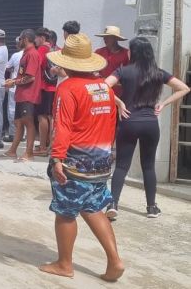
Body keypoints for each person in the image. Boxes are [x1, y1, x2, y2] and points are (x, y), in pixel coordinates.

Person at [39, 33, 124, 282]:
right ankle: (115, 261)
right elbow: (111, 123)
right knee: (94, 207)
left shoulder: (68, 89)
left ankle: (65, 264)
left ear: (66, 63)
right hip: (101, 160)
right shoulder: (104, 88)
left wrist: (56, 158)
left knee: (66, 212)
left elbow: (62, 127)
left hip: (74, 161)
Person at [104, 37, 189, 219]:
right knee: (148, 167)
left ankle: (113, 203)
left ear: (133, 52)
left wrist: (118, 103)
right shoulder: (158, 72)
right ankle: (151, 207)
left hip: (128, 122)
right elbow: (184, 88)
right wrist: (163, 104)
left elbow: (103, 87)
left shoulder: (123, 71)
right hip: (150, 123)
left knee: (121, 166)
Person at [2, 29, 41, 162]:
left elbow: (30, 77)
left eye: (20, 39)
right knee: (18, 122)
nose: (18, 42)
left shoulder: (33, 54)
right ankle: (13, 151)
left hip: (28, 94)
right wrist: (13, 82)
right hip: (21, 93)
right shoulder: (25, 54)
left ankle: (29, 152)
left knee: (28, 123)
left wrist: (13, 81)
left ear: (25, 39)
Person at [35, 28, 57, 156]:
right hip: (55, 87)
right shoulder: (56, 49)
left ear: (42, 38)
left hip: (44, 87)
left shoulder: (42, 49)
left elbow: (37, 66)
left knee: (42, 116)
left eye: (36, 38)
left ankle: (43, 147)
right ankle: (51, 146)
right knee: (52, 117)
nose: (35, 41)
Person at [95, 26, 130, 96]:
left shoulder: (126, 54)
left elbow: (129, 75)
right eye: (104, 37)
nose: (104, 39)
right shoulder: (98, 52)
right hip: (101, 92)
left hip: (119, 94)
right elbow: (92, 70)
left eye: (108, 37)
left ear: (115, 38)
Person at [4, 37, 24, 143]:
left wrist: (11, 69)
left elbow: (6, 67)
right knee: (24, 112)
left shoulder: (16, 55)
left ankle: (13, 134)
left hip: (14, 86)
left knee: (12, 111)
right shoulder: (31, 54)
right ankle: (23, 135)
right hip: (25, 87)